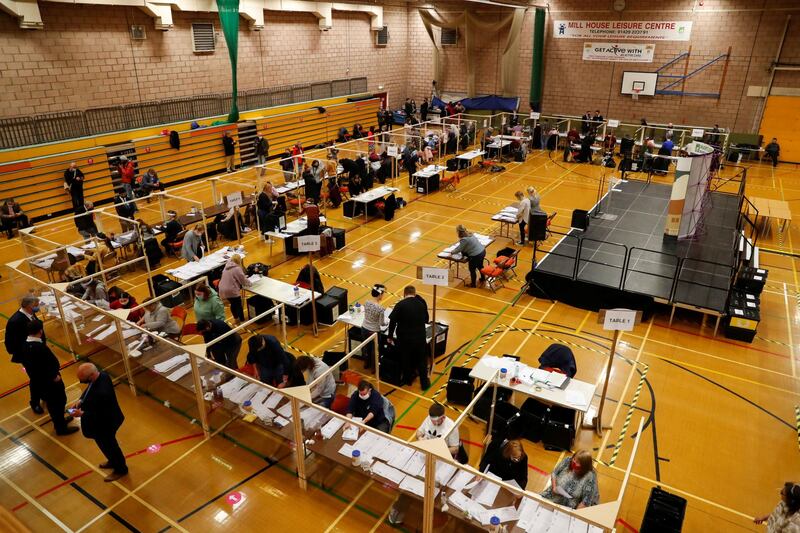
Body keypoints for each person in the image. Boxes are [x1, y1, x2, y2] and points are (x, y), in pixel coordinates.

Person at [388, 403, 461, 525]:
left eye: (436, 421)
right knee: (411, 478)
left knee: (430, 485)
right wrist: (420, 438)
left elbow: (455, 448)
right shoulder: (429, 419)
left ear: (443, 417)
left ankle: (426, 512)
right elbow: (419, 432)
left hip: (440, 459)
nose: (433, 423)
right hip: (424, 454)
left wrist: (440, 449)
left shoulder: (451, 427)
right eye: (432, 421)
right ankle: (400, 506)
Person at [72, 363, 128, 482]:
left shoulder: (102, 392)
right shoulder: (102, 375)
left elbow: (101, 413)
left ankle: (121, 469)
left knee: (111, 446)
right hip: (102, 422)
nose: (83, 382)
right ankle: (113, 461)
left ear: (91, 375)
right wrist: (81, 400)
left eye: (84, 380)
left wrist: (81, 414)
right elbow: (89, 388)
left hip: (105, 424)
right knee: (104, 445)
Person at [24, 321, 78, 435]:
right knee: (57, 403)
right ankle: (61, 428)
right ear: (40, 331)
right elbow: (42, 366)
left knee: (55, 404)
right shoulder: (38, 347)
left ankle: (60, 421)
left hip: (41, 381)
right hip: (50, 382)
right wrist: (54, 376)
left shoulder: (25, 345)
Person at [5, 296, 45, 413]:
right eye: (36, 304)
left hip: (38, 350)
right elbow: (10, 343)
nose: (38, 306)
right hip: (29, 356)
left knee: (41, 376)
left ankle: (43, 394)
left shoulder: (30, 314)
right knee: (35, 379)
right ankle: (35, 402)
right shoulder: (15, 321)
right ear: (29, 306)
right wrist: (26, 353)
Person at [388, 286, 430, 389]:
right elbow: (426, 319)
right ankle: (424, 383)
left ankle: (408, 380)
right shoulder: (421, 303)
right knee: (421, 360)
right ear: (414, 294)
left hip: (405, 338)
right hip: (420, 337)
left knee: (406, 359)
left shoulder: (400, 305)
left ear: (404, 294)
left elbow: (392, 321)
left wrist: (390, 336)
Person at [361, 284, 387, 370]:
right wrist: (386, 323)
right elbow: (381, 323)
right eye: (383, 293)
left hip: (364, 328)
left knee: (366, 347)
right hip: (374, 331)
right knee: (374, 350)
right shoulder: (380, 308)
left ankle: (366, 364)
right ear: (380, 294)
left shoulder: (366, 302)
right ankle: (374, 368)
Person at [218, 254, 250, 323]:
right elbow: (242, 280)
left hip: (222, 288)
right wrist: (249, 283)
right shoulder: (237, 268)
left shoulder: (226, 266)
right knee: (238, 304)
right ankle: (242, 320)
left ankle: (236, 318)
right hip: (231, 289)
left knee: (233, 304)